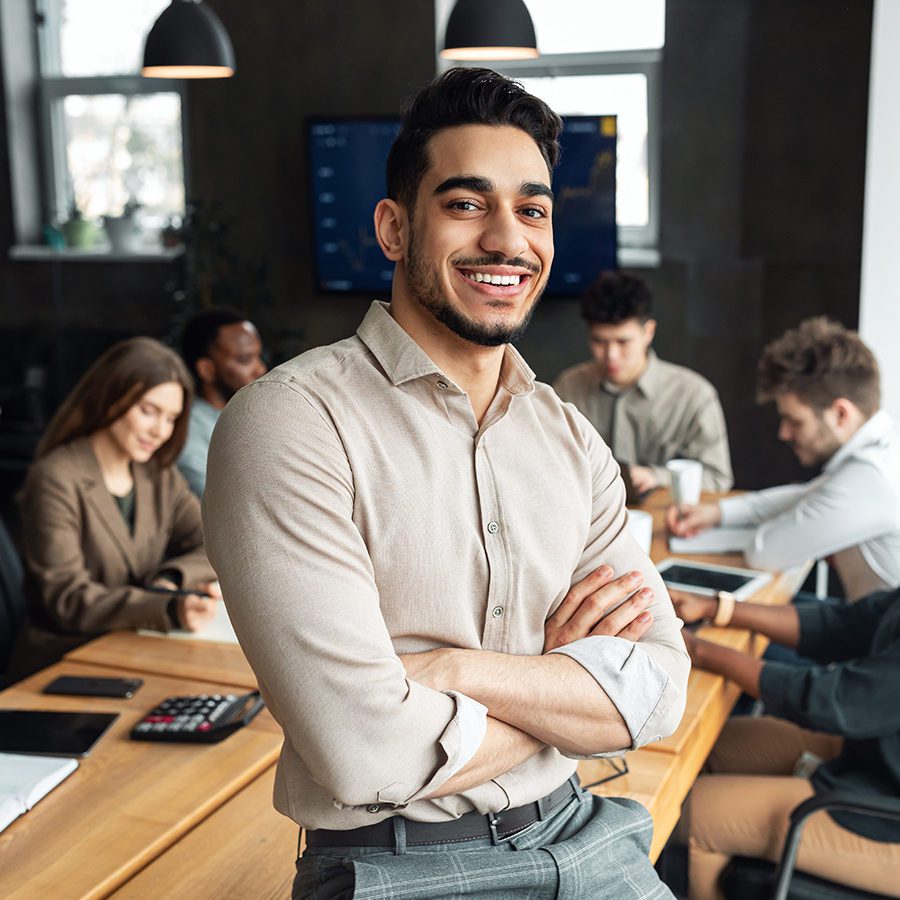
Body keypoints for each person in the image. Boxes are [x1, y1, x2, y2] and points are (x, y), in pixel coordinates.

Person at [204, 68, 689, 899]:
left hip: (585, 832)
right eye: (467, 205)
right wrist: (557, 679)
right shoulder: (290, 423)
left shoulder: (570, 437)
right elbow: (365, 749)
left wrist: (450, 671)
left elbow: (656, 695)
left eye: (531, 210)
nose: (508, 239)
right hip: (398, 866)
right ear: (393, 228)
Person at [9, 337, 220, 679]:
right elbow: (67, 598)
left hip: (139, 648)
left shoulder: (158, 474)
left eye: (171, 418)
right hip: (64, 662)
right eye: (148, 411)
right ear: (110, 397)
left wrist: (170, 580)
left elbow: (214, 541)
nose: (160, 431)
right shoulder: (56, 476)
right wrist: (166, 606)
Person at [670, 588, 900, 898]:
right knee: (704, 748)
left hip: (886, 811)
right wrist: (715, 607)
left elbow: (827, 701)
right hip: (871, 756)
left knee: (689, 812)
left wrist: (699, 651)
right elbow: (842, 625)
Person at [668, 317, 900, 601]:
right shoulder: (881, 453)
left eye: (794, 421)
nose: (783, 433)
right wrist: (717, 513)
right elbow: (806, 496)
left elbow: (764, 552)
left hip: (877, 641)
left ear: (841, 414)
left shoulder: (871, 478)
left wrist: (766, 530)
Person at [553, 271, 733, 496]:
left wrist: (655, 476)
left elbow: (717, 478)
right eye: (599, 341)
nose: (611, 355)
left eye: (623, 341)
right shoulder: (568, 387)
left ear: (648, 332)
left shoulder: (694, 395)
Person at [177, 308, 266, 496]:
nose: (260, 369)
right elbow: (220, 500)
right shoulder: (188, 429)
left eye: (259, 356)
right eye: (245, 359)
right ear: (206, 369)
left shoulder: (259, 415)